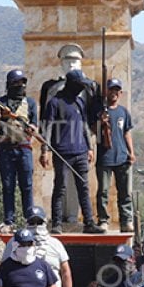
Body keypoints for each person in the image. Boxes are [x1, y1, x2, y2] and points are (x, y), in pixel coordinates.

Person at [41, 69, 105, 234]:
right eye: (80, 85)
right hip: (62, 152)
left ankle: (89, 223)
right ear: (72, 84)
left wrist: (89, 147)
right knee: (60, 187)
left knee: (83, 187)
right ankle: (56, 224)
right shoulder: (54, 102)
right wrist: (45, 150)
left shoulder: (80, 102)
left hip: (81, 151)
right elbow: (47, 128)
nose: (82, 88)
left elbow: (84, 125)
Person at [0, 69, 39, 231]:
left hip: (24, 148)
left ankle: (29, 219)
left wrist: (31, 128)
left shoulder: (30, 103)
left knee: (27, 185)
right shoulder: (0, 103)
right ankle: (9, 221)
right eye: (17, 83)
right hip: (5, 149)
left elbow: (35, 126)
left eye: (22, 83)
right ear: (9, 84)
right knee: (8, 186)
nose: (20, 85)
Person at [95, 78, 136, 233]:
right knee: (103, 192)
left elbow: (127, 133)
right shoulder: (100, 112)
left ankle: (126, 221)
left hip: (122, 157)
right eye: (111, 90)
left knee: (125, 192)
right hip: (105, 158)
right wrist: (101, 122)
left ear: (120, 93)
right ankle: (103, 220)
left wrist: (131, 152)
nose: (114, 93)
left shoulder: (123, 112)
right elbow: (94, 132)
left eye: (116, 90)